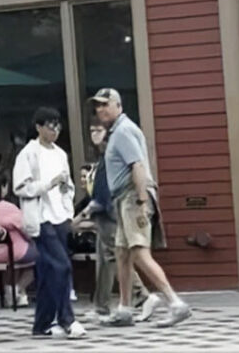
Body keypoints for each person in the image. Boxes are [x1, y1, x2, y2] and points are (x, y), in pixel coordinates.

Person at [82, 88, 191, 327]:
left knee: (139, 251)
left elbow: (137, 166)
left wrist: (141, 200)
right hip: (122, 199)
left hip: (132, 196)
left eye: (105, 104)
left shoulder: (123, 131)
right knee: (122, 252)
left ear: (118, 105)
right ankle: (124, 310)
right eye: (97, 106)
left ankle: (176, 304)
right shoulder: (117, 131)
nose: (100, 110)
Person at [13, 107, 87, 339]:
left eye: (57, 125)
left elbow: (68, 186)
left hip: (59, 217)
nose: (54, 130)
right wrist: (48, 184)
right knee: (61, 266)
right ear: (39, 127)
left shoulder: (61, 154)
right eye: (50, 125)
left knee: (47, 271)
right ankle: (67, 319)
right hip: (41, 218)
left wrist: (68, 210)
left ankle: (42, 324)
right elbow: (21, 187)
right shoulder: (28, 154)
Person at [80, 118, 147, 320]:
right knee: (105, 261)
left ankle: (140, 294)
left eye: (98, 130)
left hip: (110, 212)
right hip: (103, 213)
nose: (94, 134)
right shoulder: (102, 157)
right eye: (91, 130)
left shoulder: (112, 154)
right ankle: (101, 305)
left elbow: (106, 190)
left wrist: (87, 212)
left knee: (117, 256)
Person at [0, 173, 38, 303]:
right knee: (42, 255)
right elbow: (25, 228)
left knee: (13, 261)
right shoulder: (8, 208)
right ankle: (18, 288)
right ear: (2, 188)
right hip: (11, 253)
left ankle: (13, 291)